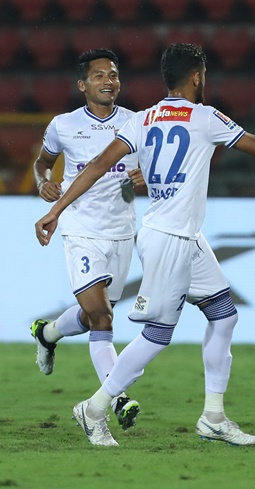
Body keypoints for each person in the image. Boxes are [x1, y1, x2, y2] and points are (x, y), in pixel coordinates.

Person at [35, 43, 255, 447]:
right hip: (168, 238)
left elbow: (99, 165)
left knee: (224, 315)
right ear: (197, 77)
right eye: (203, 75)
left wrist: (55, 210)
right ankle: (95, 408)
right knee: (158, 334)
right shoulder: (205, 118)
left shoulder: (145, 118)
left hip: (183, 234)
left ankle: (213, 416)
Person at [31, 48, 144, 431]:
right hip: (80, 230)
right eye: (98, 75)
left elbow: (151, 167)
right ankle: (117, 399)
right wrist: (44, 184)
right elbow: (42, 163)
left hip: (122, 231)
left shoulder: (137, 122)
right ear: (82, 84)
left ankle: (47, 334)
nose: (108, 80)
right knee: (102, 316)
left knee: (93, 317)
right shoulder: (63, 125)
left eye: (113, 74)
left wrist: (145, 177)